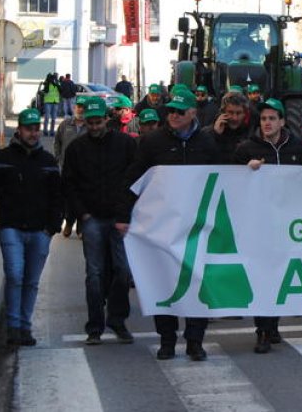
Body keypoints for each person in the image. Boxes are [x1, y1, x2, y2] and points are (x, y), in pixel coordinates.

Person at [122, 85, 221, 362]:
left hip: (197, 227)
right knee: (165, 282)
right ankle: (167, 340)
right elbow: (133, 178)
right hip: (162, 227)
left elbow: (223, 180)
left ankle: (195, 341)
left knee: (197, 282)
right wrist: (123, 214)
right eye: (170, 112)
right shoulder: (152, 143)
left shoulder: (206, 143)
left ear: (192, 113)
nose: (173, 116)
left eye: (180, 112)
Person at [0, 108, 63, 347]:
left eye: (36, 129)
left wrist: (52, 227)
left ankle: (25, 326)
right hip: (11, 227)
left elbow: (58, 197)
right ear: (19, 130)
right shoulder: (3, 158)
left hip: (40, 230)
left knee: (31, 281)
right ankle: (13, 326)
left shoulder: (48, 162)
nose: (33, 133)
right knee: (15, 275)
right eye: (28, 129)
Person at [234, 99, 302, 353]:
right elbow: (230, 182)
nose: (267, 123)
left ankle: (273, 324)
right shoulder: (246, 148)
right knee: (262, 275)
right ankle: (263, 330)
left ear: (282, 122)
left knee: (281, 275)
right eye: (263, 119)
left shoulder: (298, 147)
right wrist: (246, 171)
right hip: (258, 224)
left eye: (271, 119)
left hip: (288, 223)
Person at [62, 97, 138, 346]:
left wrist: (126, 212)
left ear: (107, 119)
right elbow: (70, 184)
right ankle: (95, 326)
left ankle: (117, 318)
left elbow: (134, 178)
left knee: (123, 271)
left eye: (98, 122)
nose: (94, 127)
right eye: (90, 122)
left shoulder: (125, 144)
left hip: (119, 218)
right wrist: (81, 214)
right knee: (94, 273)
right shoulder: (76, 148)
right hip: (92, 217)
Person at [53, 95, 90, 238]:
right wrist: (58, 158)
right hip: (67, 168)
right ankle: (69, 222)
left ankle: (81, 228)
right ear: (74, 107)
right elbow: (57, 142)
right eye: (78, 106)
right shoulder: (66, 124)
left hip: (85, 170)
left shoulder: (89, 126)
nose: (80, 109)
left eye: (83, 107)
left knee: (83, 198)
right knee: (68, 198)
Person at [212, 91, 254, 160]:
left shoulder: (253, 133)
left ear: (245, 113)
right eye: (230, 112)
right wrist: (215, 135)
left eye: (239, 113)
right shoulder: (207, 133)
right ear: (222, 112)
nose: (235, 118)